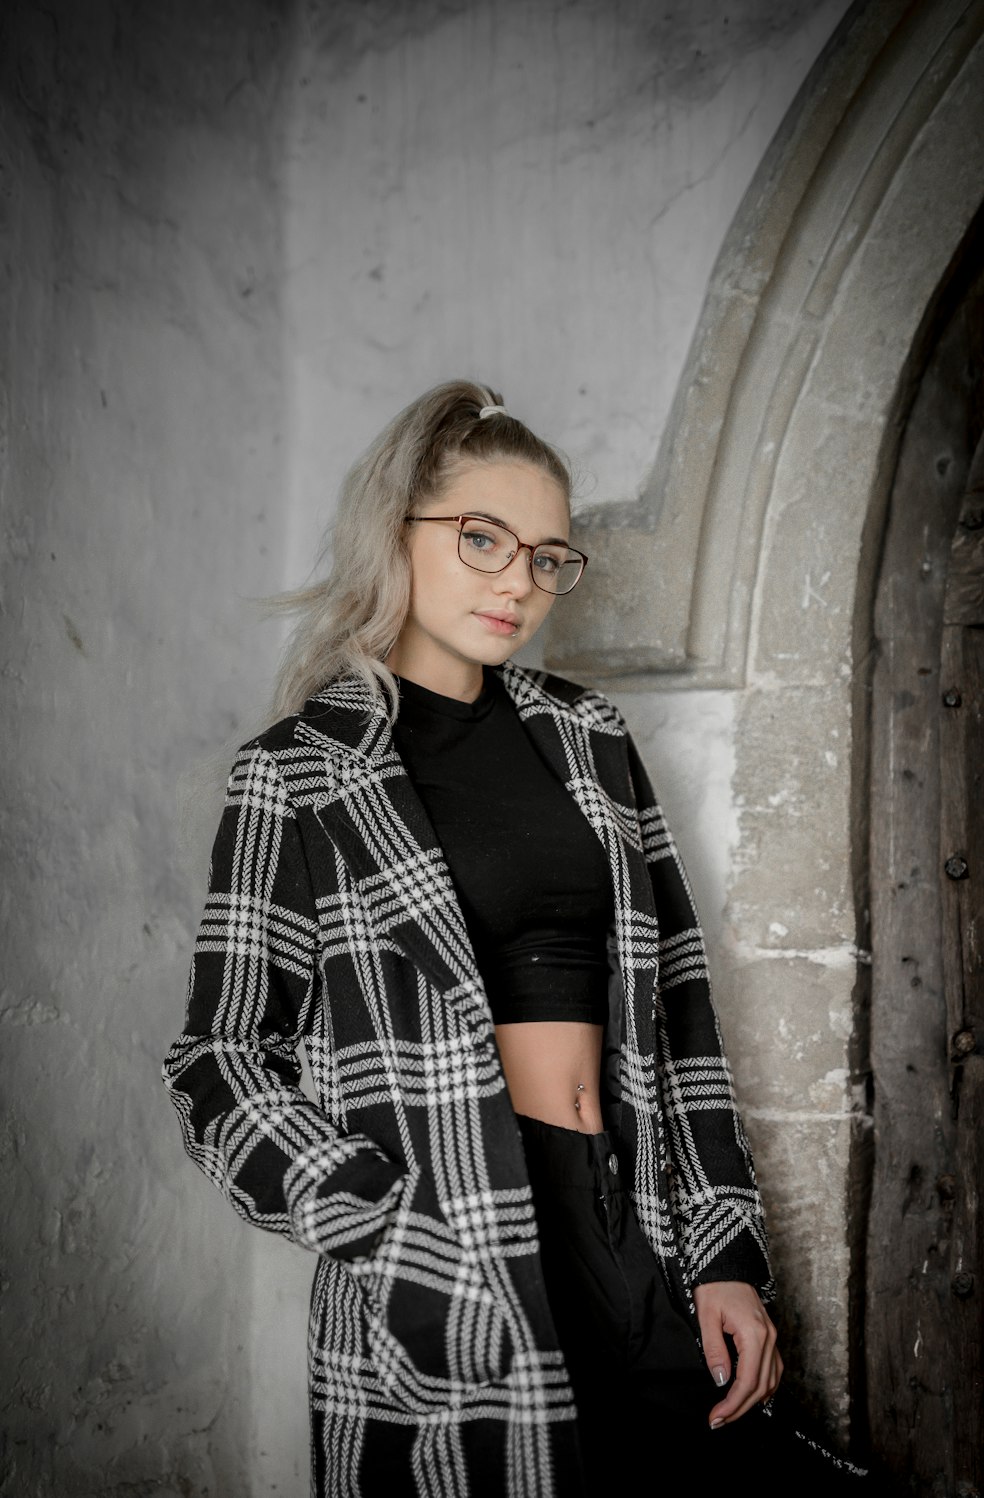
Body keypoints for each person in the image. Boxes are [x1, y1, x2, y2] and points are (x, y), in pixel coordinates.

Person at [162, 380, 873, 1496]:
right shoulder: (296, 773)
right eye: (482, 537)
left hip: (634, 1215)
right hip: (452, 1240)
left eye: (547, 555)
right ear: (397, 527)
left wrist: (727, 1254)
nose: (518, 581)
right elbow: (217, 1061)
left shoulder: (589, 738)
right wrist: (385, 1222)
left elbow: (679, 1012)